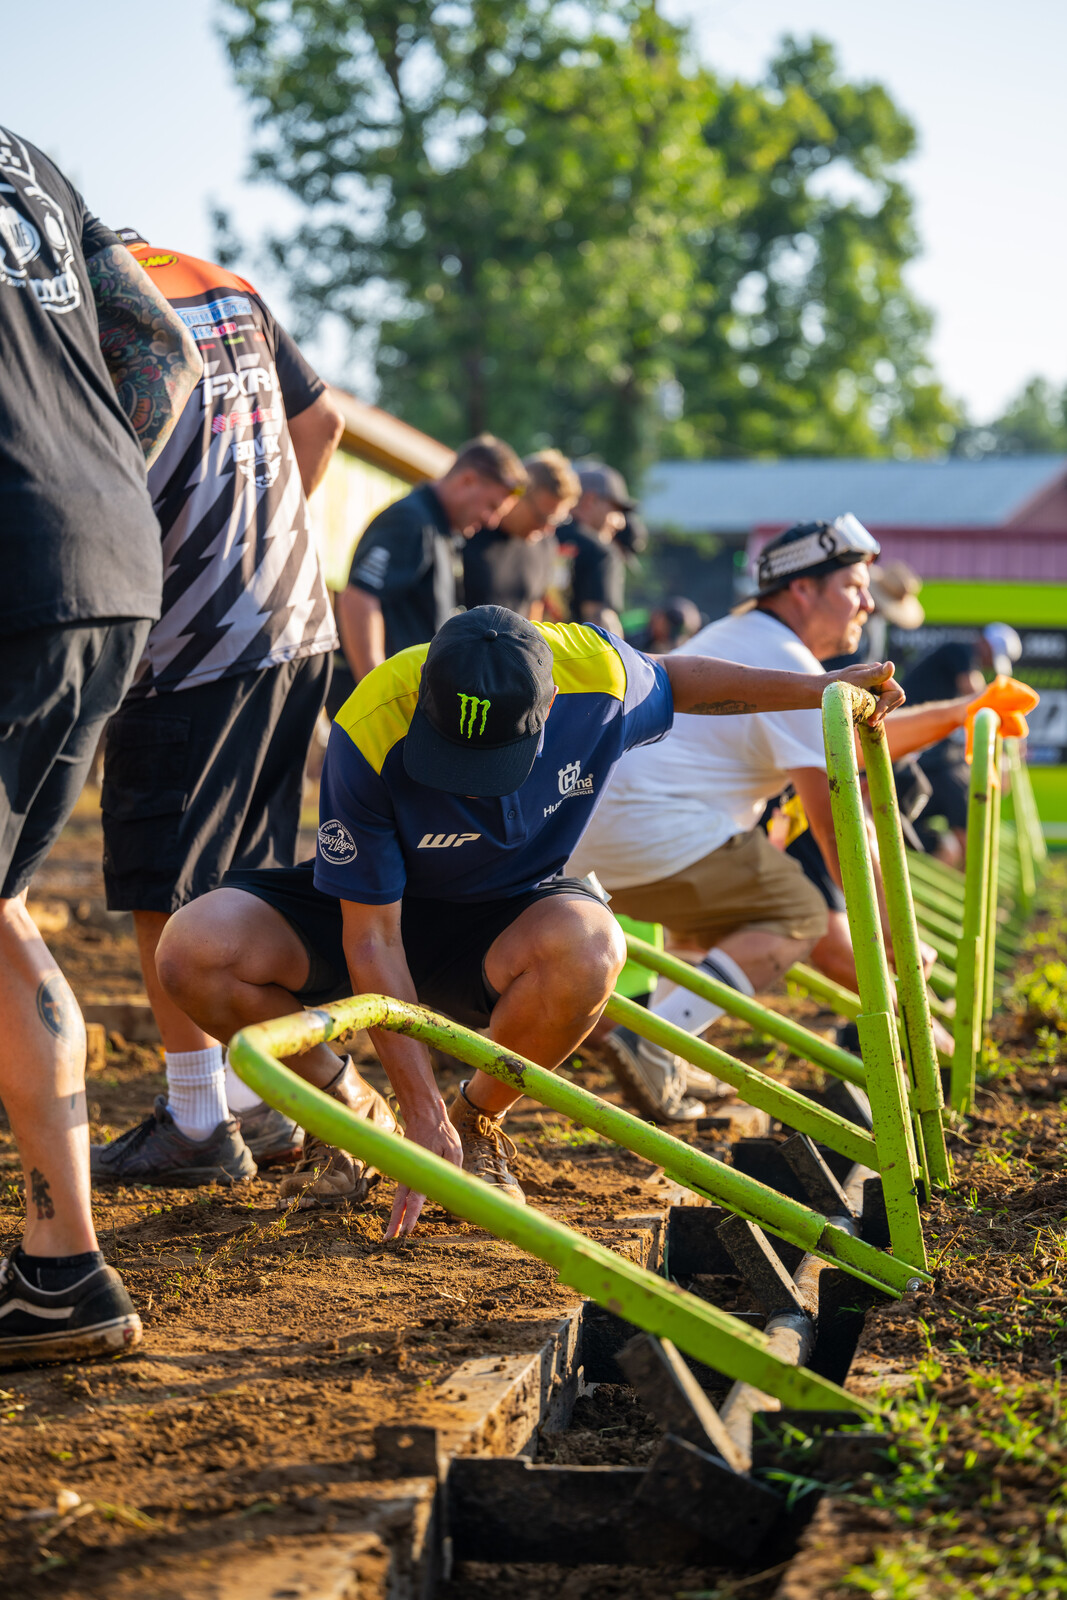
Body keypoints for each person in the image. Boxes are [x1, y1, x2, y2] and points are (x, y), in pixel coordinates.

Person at [154, 603, 902, 1231]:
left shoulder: (598, 675)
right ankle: (348, 1110)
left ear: (549, 713)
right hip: (381, 912)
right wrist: (414, 1109)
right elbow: (372, 937)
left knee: (593, 946)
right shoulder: (374, 722)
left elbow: (680, 680)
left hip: (507, 920)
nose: (468, 790)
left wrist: (818, 688)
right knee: (195, 948)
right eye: (451, 760)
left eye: (488, 766)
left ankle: (478, 1120)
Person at [568, 517, 981, 1121]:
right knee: (799, 914)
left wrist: (964, 711)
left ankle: (670, 1052)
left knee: (705, 929)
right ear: (802, 589)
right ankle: (654, 1040)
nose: (868, 603)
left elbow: (857, 744)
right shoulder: (788, 661)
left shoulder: (746, 637)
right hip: (654, 828)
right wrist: (893, 933)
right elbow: (839, 822)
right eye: (854, 586)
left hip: (598, 829)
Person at [0, 128, 202, 1364]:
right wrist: (79, 474)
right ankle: (60, 1264)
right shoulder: (31, 161)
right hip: (111, 554)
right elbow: (161, 351)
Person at [89, 235, 346, 1189]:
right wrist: (260, 543)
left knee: (164, 882)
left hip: (187, 644)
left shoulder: (78, 305)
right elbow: (325, 424)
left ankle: (199, 1119)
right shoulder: (225, 286)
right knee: (244, 878)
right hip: (295, 623)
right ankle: (258, 1103)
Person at [334, 436, 527, 691]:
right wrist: (377, 692)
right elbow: (358, 600)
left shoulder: (440, 527)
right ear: (467, 480)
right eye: (492, 506)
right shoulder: (410, 520)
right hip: (383, 699)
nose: (492, 521)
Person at [904, 623, 1021, 862]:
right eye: (991, 657)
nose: (988, 665)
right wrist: (1006, 727)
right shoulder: (960, 651)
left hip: (919, 745)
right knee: (955, 781)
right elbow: (978, 697)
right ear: (984, 643)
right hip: (908, 741)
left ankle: (966, 865)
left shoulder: (962, 660)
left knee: (958, 779)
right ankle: (970, 870)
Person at [462, 450, 579, 619]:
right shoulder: (471, 530)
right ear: (517, 495)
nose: (548, 529)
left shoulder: (545, 546)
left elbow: (534, 610)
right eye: (542, 518)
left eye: (557, 521)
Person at [555, 465, 634, 635]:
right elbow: (601, 623)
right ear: (590, 501)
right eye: (615, 510)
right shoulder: (600, 551)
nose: (621, 523)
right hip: (569, 650)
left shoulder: (538, 536)